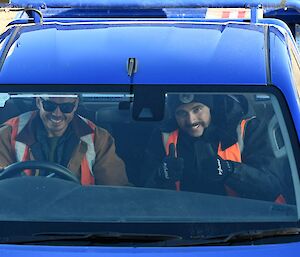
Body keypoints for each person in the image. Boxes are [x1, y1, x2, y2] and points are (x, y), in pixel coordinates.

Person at [142, 93, 285, 203]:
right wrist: (160, 176)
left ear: (210, 108)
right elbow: (143, 194)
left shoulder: (246, 129)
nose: (191, 120)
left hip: (244, 226)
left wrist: (231, 170)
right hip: (181, 224)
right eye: (181, 113)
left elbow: (271, 187)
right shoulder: (163, 135)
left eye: (197, 109)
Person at [0, 96, 129, 186]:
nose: (57, 113)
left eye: (66, 107)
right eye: (49, 106)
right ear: (39, 102)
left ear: (76, 105)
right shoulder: (8, 134)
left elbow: (115, 191)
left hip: (81, 217)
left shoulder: (98, 138)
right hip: (22, 217)